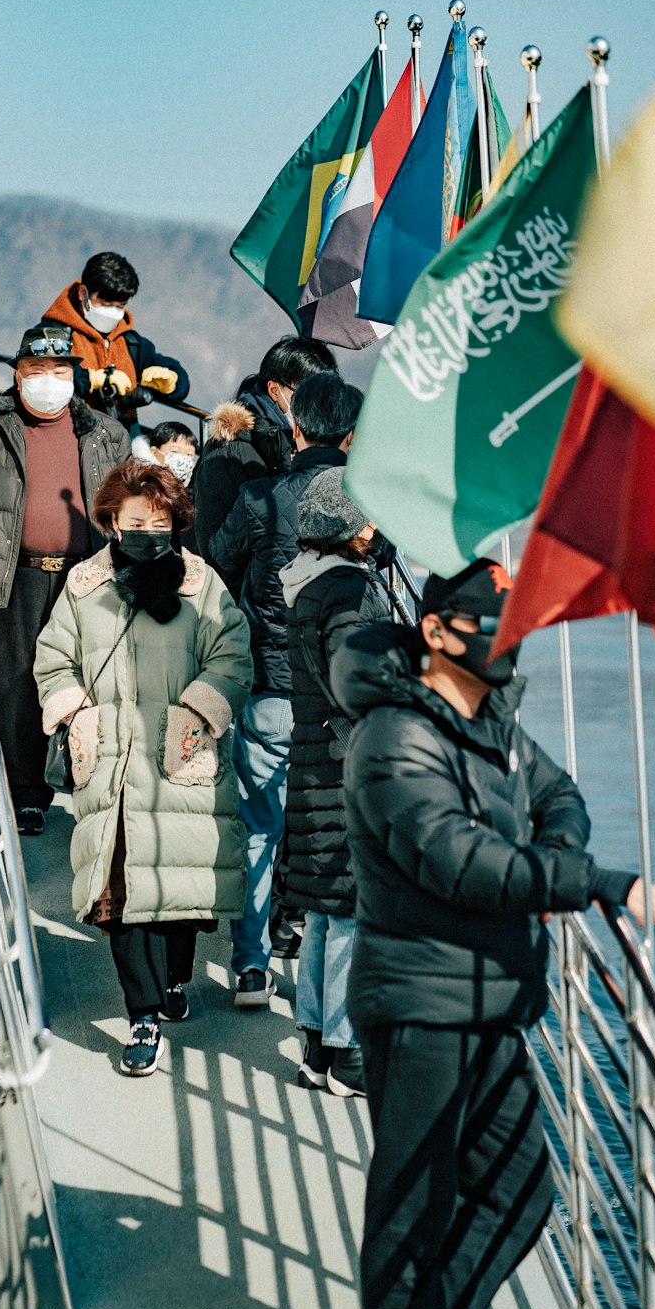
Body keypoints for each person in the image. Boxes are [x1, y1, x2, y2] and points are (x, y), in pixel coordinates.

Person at [329, 558, 655, 1309]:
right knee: (415, 1202)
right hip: (422, 1002)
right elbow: (459, 860)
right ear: (437, 632)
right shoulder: (393, 734)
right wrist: (599, 882)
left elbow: (561, 797)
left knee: (520, 1190)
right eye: (493, 625)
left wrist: (547, 843)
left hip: (490, 996)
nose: (508, 643)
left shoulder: (492, 725)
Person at [33, 461, 252, 1075]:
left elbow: (233, 655)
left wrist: (199, 710)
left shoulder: (202, 584)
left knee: (179, 893)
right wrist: (75, 713)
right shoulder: (83, 585)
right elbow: (54, 660)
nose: (148, 531)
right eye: (136, 521)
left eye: (159, 522)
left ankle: (176, 979)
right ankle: (144, 1016)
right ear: (110, 521)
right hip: (112, 763)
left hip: (180, 757)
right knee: (123, 896)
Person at [210, 373, 362, 1006]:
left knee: (259, 827)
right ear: (353, 435)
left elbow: (218, 563)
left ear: (294, 427)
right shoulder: (367, 501)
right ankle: (318, 983)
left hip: (272, 687)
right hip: (342, 700)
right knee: (334, 833)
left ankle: (251, 965)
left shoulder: (259, 497)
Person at [0, 324, 130, 837]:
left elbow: (129, 494)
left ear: (73, 375)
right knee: (18, 686)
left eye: (59, 371)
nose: (48, 380)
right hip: (17, 577)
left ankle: (96, 785)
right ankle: (26, 794)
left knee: (93, 680)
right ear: (18, 374)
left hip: (88, 576)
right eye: (37, 370)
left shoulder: (105, 432)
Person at [279, 468, 389, 1098]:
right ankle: (347, 1052)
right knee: (351, 910)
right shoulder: (348, 594)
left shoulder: (307, 585)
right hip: (349, 765)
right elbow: (355, 683)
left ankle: (316, 1044)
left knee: (326, 910)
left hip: (315, 760)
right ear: (351, 527)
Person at [192, 335, 339, 561]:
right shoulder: (232, 452)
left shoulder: (302, 441)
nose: (314, 405)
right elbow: (215, 547)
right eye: (305, 394)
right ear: (274, 389)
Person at [42, 252, 190, 420]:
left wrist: (172, 381)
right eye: (105, 304)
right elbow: (39, 378)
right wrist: (91, 379)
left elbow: (181, 380)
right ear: (83, 293)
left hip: (121, 440)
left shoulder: (131, 342)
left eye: (120, 306)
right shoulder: (52, 334)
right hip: (70, 438)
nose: (112, 313)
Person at [146, 420, 198, 485]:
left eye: (189, 454)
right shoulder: (142, 485)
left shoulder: (196, 488)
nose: (183, 458)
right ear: (154, 452)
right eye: (175, 451)